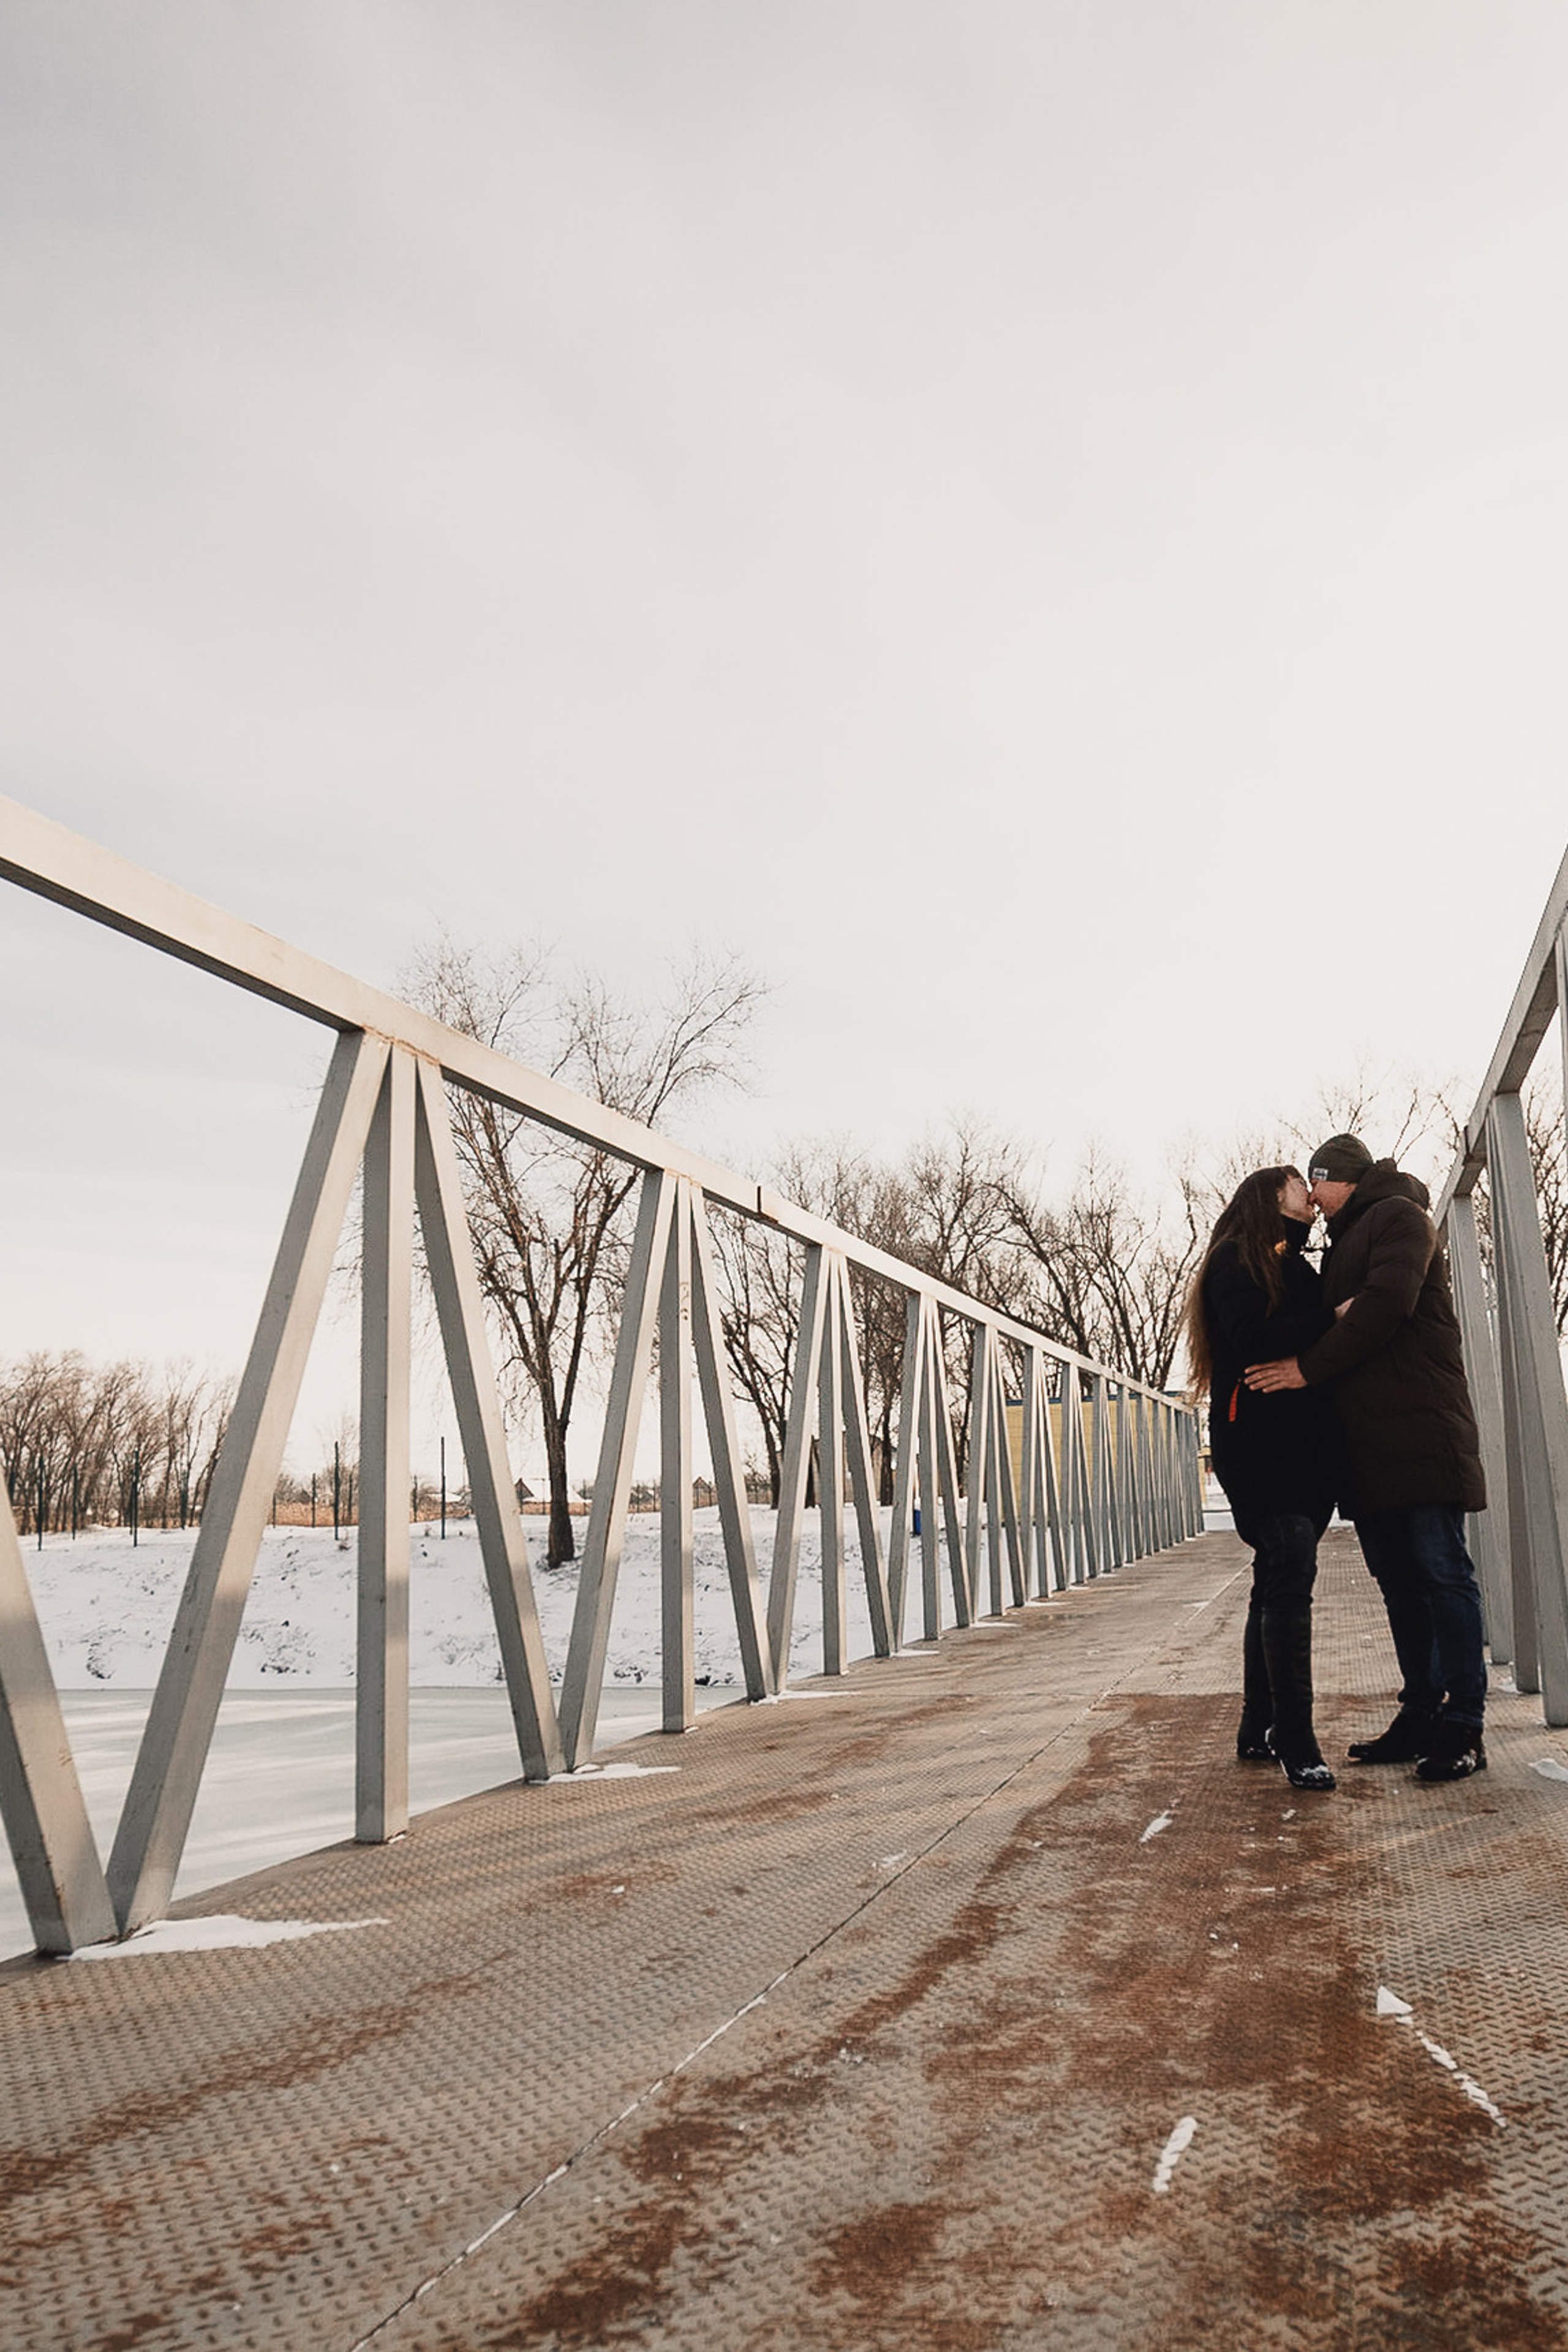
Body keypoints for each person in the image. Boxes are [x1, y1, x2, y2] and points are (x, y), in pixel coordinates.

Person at [1245, 1134, 1489, 1783]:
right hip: (1370, 1449)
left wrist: (1305, 1369)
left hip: (1420, 1432)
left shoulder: (1401, 1218)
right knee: (1400, 1585)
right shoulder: (1346, 1237)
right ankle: (1420, 1713)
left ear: (1341, 1180)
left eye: (1316, 1184)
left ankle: (1464, 1724)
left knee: (1443, 1575)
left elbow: (1387, 1305)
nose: (1313, 1198)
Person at [1185, 1167, 1338, 1791]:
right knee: (1288, 1571)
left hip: (1305, 1453)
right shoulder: (1235, 1260)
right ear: (1267, 1198)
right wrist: (1336, 1317)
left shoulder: (1291, 1263)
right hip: (1255, 1449)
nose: (1309, 1195)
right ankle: (1295, 1738)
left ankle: (1258, 1724)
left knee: (1273, 1579)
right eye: (1297, 1186)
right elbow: (1251, 1339)